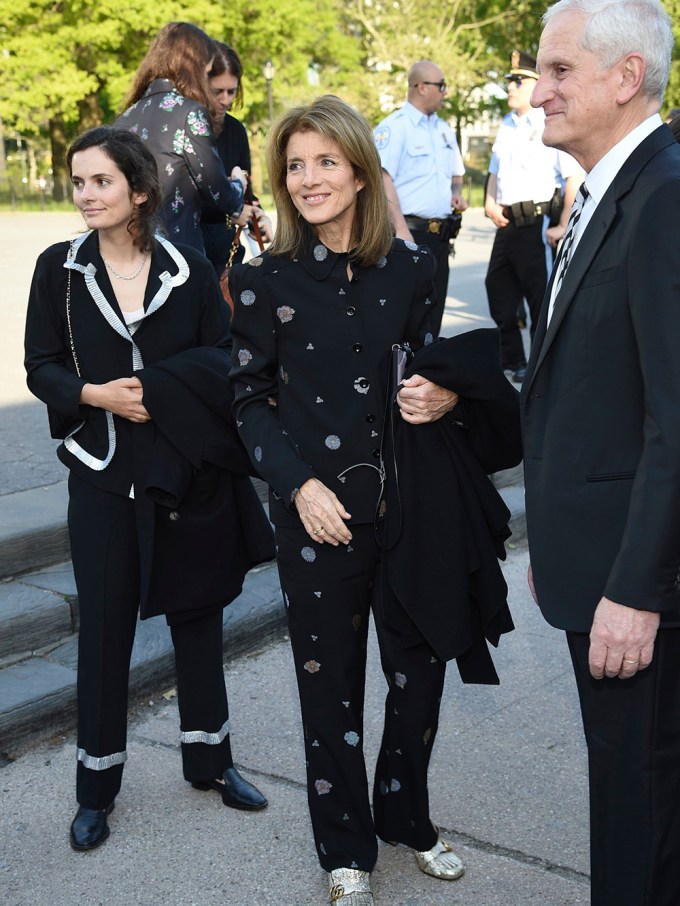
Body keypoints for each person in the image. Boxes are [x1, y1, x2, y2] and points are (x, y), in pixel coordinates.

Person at [228, 94, 521, 905]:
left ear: (360, 171)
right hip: (316, 515)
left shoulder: (415, 268)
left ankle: (406, 818)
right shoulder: (262, 283)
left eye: (326, 161)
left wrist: (447, 400)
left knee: (417, 675)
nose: (309, 178)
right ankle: (345, 846)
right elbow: (246, 401)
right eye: (294, 165)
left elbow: (429, 370)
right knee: (330, 690)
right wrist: (297, 486)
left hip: (413, 507)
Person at [24, 126, 274, 852]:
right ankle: (95, 790)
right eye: (77, 182)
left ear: (138, 191)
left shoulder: (189, 269)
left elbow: (224, 359)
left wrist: (158, 392)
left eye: (99, 181)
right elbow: (41, 367)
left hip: (183, 470)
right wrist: (98, 395)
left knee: (198, 617)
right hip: (100, 476)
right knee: (103, 631)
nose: (84, 195)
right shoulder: (58, 269)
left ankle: (212, 762)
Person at [521, 2, 680, 904]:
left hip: (639, 589)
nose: (537, 92)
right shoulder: (613, 189)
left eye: (558, 71)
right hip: (600, 562)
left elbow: (676, 418)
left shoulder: (663, 195)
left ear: (626, 78)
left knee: (640, 815)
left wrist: (634, 589)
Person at [484, 50, 582, 383]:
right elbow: (494, 170)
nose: (511, 87)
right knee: (498, 290)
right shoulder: (507, 125)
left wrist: (564, 223)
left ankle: (547, 368)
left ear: (536, 84)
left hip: (537, 223)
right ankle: (514, 361)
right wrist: (488, 201)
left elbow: (572, 176)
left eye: (518, 81)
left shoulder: (548, 121)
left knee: (541, 298)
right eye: (509, 81)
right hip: (507, 222)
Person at [116, 22, 254, 254]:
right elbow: (218, 191)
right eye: (206, 70)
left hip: (131, 251)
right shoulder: (189, 112)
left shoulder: (127, 115)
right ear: (194, 65)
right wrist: (239, 183)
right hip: (178, 255)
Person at [373, 61, 468, 336]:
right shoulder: (394, 127)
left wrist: (456, 195)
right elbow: (381, 178)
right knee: (404, 318)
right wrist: (401, 230)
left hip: (440, 237)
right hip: (407, 235)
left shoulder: (444, 129)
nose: (445, 92)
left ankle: (426, 376)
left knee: (432, 316)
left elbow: (457, 174)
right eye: (441, 86)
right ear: (422, 87)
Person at [201, 42, 273, 276]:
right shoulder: (181, 129)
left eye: (231, 91)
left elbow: (246, 191)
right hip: (189, 253)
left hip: (228, 256)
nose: (225, 100)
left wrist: (258, 217)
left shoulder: (235, 130)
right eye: (217, 92)